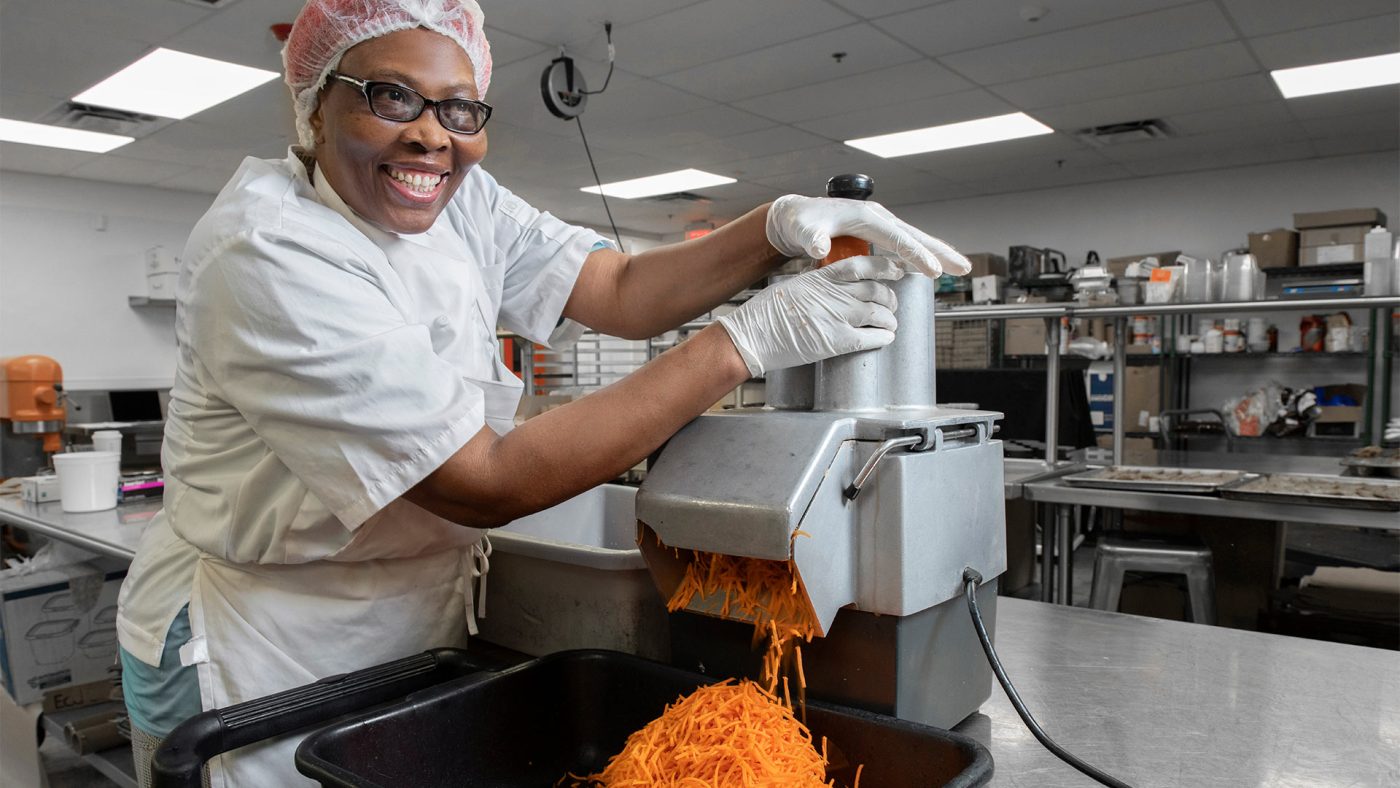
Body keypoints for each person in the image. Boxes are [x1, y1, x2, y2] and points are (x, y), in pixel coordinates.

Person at [114, 0, 972, 784]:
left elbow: (622, 289)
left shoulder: (463, 199)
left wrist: (776, 225)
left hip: (411, 618)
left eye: (459, 108)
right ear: (313, 106)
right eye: (390, 97)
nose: (431, 137)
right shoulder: (268, 252)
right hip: (259, 641)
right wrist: (745, 341)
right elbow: (484, 480)